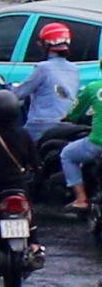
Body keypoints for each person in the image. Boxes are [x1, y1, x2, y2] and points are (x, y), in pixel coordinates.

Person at [14, 20, 81, 137]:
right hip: (66, 125)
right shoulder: (74, 69)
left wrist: (8, 89)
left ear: (46, 45)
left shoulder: (43, 68)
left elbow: (19, 93)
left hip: (40, 125)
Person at [58, 66, 102, 211]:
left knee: (67, 155)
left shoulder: (93, 88)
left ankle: (81, 199)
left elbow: (75, 112)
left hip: (97, 143)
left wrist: (68, 117)